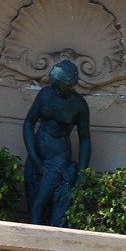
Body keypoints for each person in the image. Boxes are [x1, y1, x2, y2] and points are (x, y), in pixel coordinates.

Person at [23, 59, 91, 227]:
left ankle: (34, 249)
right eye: (53, 84)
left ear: (69, 85)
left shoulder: (79, 105)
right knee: (33, 204)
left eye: (58, 85)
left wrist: (82, 172)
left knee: (38, 205)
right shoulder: (45, 95)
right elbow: (28, 123)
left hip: (57, 160)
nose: (54, 88)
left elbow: (85, 139)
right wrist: (34, 157)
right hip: (36, 155)